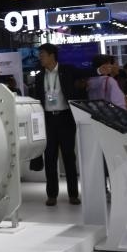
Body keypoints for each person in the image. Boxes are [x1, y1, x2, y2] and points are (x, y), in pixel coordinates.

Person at [31, 44, 81, 206]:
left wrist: (100, 70)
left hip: (66, 118)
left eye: (42, 55)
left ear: (52, 55)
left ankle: (73, 194)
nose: (40, 58)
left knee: (69, 157)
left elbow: (85, 74)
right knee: (50, 157)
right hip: (48, 120)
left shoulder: (67, 71)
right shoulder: (40, 76)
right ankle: (51, 195)